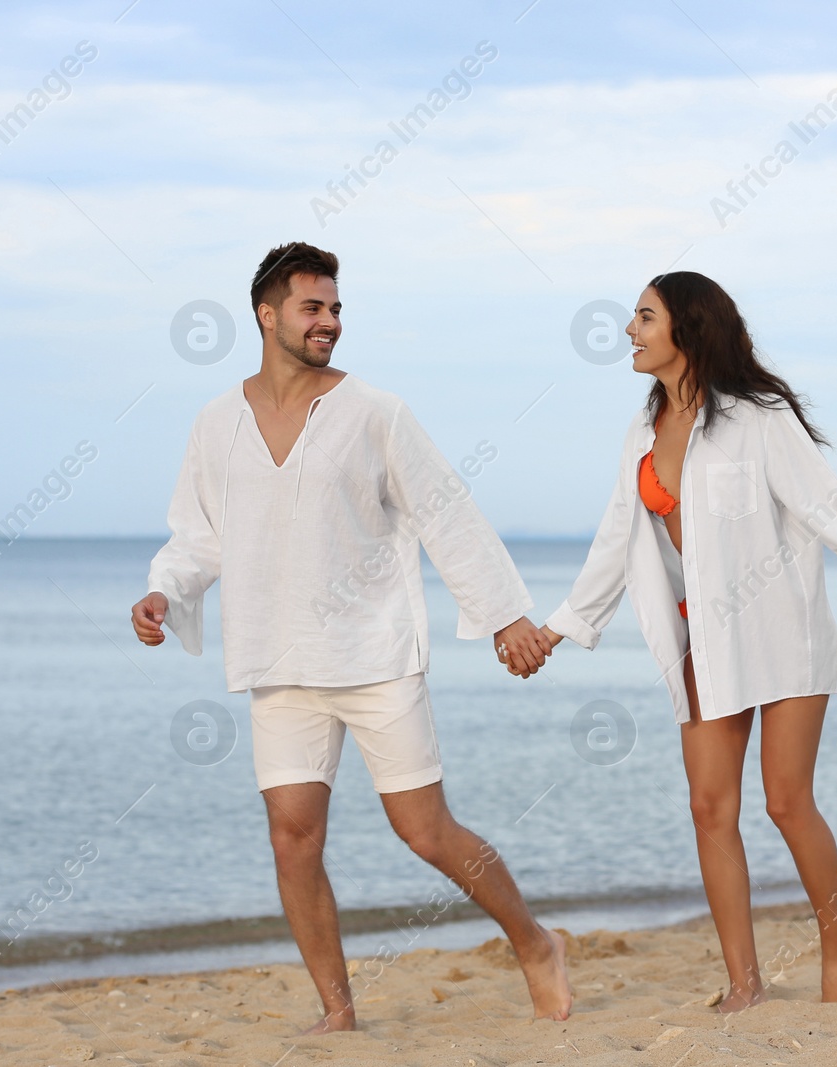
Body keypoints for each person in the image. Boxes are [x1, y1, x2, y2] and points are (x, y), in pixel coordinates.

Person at [132, 242, 571, 1032]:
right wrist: (164, 591)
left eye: (335, 308)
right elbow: (198, 534)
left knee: (425, 830)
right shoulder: (215, 422)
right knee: (292, 838)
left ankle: (535, 942)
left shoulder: (375, 412)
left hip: (374, 655)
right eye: (313, 307)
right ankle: (338, 1011)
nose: (330, 321)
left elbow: (446, 513)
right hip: (276, 657)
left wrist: (505, 614)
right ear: (267, 315)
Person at [527, 271, 837, 1011]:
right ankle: (744, 977)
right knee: (710, 808)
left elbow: (827, 505)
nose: (630, 330)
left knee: (785, 800)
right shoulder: (641, 435)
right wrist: (558, 628)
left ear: (689, 327)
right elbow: (615, 542)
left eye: (644, 317)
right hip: (701, 639)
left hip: (783, 630)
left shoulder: (758, 418)